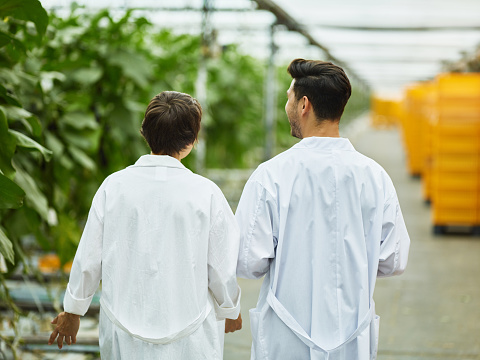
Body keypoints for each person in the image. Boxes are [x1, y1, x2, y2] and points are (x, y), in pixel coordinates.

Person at [234, 59, 410, 360]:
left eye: (288, 98)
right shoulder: (374, 176)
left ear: (304, 105)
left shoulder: (271, 175)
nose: (286, 105)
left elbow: (248, 261)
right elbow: (393, 259)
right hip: (352, 336)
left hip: (286, 337)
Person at [48, 91, 242, 359]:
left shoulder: (114, 187)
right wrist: (229, 308)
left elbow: (89, 258)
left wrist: (73, 312)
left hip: (122, 332)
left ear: (144, 132)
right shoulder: (206, 193)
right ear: (192, 140)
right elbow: (222, 266)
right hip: (191, 336)